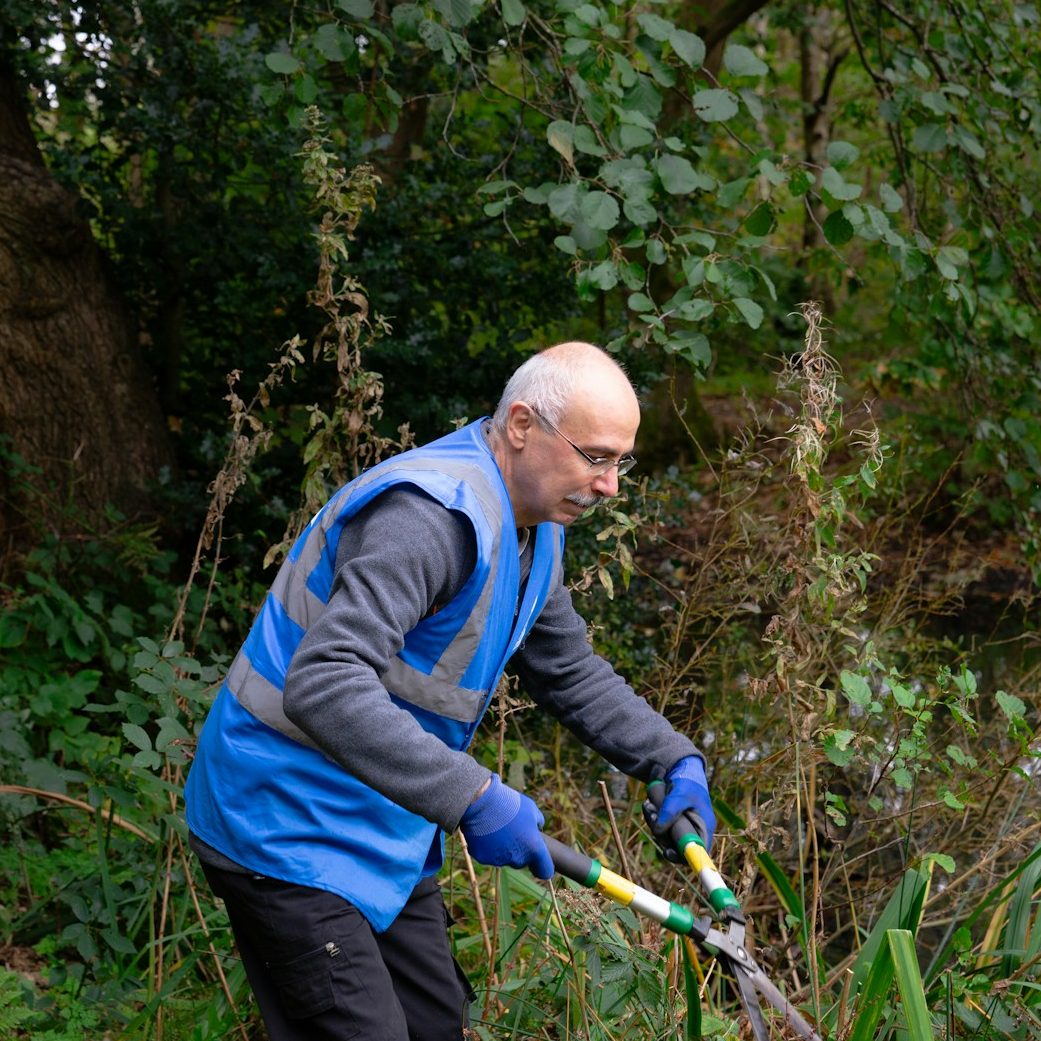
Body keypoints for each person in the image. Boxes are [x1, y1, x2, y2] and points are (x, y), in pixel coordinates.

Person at [183, 341, 715, 1041]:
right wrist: (474, 795)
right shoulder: (429, 518)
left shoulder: (533, 528)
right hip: (282, 821)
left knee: (437, 1024)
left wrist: (672, 758)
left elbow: (569, 670)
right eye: (595, 456)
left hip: (381, 823)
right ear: (521, 424)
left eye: (622, 462)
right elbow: (325, 681)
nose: (610, 485)